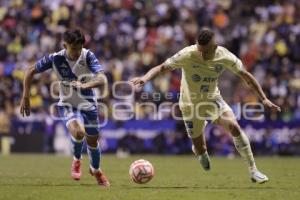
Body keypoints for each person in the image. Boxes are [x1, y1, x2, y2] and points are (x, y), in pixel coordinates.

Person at [130, 28, 281, 184]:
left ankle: (253, 170)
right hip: (190, 105)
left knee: (234, 126)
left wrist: (263, 99)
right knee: (200, 148)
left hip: (212, 99)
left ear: (214, 47)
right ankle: (201, 153)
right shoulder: (188, 54)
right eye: (199, 50)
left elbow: (247, 77)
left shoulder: (225, 56)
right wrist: (145, 78)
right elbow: (161, 67)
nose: (201, 54)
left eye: (205, 51)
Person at [20, 28, 110, 187]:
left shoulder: (88, 56)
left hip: (88, 104)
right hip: (67, 103)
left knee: (93, 142)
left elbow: (102, 78)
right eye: (73, 48)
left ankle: (95, 170)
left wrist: (85, 85)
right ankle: (77, 159)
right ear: (64, 45)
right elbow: (30, 71)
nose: (77, 52)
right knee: (78, 132)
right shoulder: (56, 58)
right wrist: (25, 96)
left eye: (79, 48)